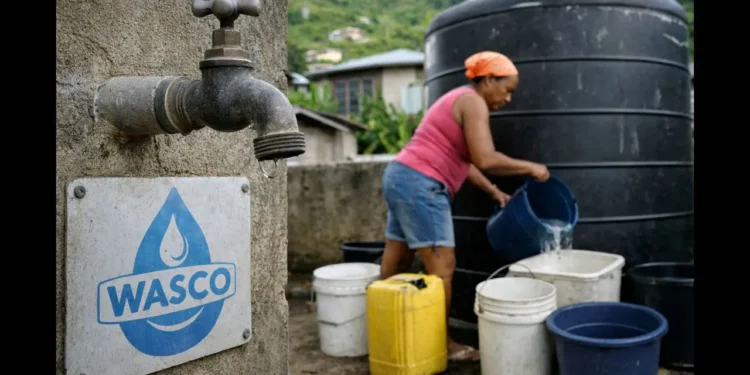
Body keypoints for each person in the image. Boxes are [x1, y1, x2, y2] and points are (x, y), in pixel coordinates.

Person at [379, 51, 550, 361]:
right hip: (422, 185)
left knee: (398, 259)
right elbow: (485, 158)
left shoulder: (456, 99)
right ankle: (440, 345)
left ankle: (383, 331)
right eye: (507, 89)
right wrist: (531, 167)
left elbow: (465, 162)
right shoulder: (473, 102)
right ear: (487, 80)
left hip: (400, 176)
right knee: (442, 270)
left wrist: (494, 191)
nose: (508, 99)